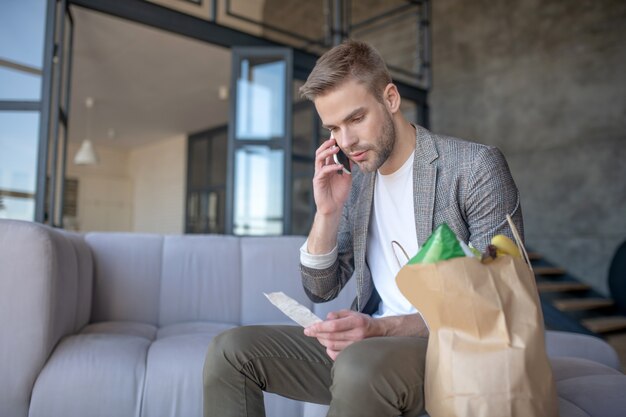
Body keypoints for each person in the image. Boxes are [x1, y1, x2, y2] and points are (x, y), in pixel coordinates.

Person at [203, 40, 522, 417]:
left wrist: (382, 330)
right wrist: (327, 212)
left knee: (359, 367)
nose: (346, 142)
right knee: (231, 351)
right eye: (333, 128)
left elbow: (498, 301)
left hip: (450, 346)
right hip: (370, 347)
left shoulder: (474, 168)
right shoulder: (359, 182)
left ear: (390, 98)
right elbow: (320, 289)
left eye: (356, 119)